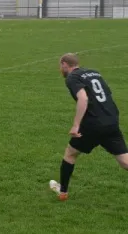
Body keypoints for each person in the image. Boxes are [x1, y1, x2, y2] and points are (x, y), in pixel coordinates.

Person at [49, 53, 128, 201]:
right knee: (125, 161)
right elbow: (107, 94)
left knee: (70, 153)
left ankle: (63, 192)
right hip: (111, 120)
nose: (60, 69)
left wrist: (76, 125)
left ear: (65, 64)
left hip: (93, 124)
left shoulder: (72, 78)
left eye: (61, 66)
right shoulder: (94, 73)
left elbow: (83, 98)